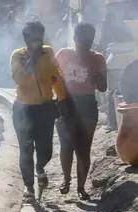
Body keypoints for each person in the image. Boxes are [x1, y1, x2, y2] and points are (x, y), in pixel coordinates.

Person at [10, 21, 68, 200]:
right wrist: (33, 59)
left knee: (46, 149)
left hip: (46, 107)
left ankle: (40, 167)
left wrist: (63, 99)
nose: (38, 41)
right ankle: (29, 187)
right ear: (26, 39)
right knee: (26, 149)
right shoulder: (18, 56)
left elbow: (56, 76)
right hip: (23, 108)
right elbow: (20, 79)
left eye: (40, 37)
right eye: (34, 37)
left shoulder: (48, 51)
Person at [55, 23, 107, 200]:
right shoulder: (63, 54)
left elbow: (102, 87)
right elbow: (53, 78)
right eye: (84, 39)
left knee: (84, 150)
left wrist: (98, 72)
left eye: (91, 39)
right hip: (66, 104)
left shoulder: (97, 58)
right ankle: (67, 180)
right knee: (66, 146)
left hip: (87, 105)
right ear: (75, 38)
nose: (88, 43)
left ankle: (81, 187)